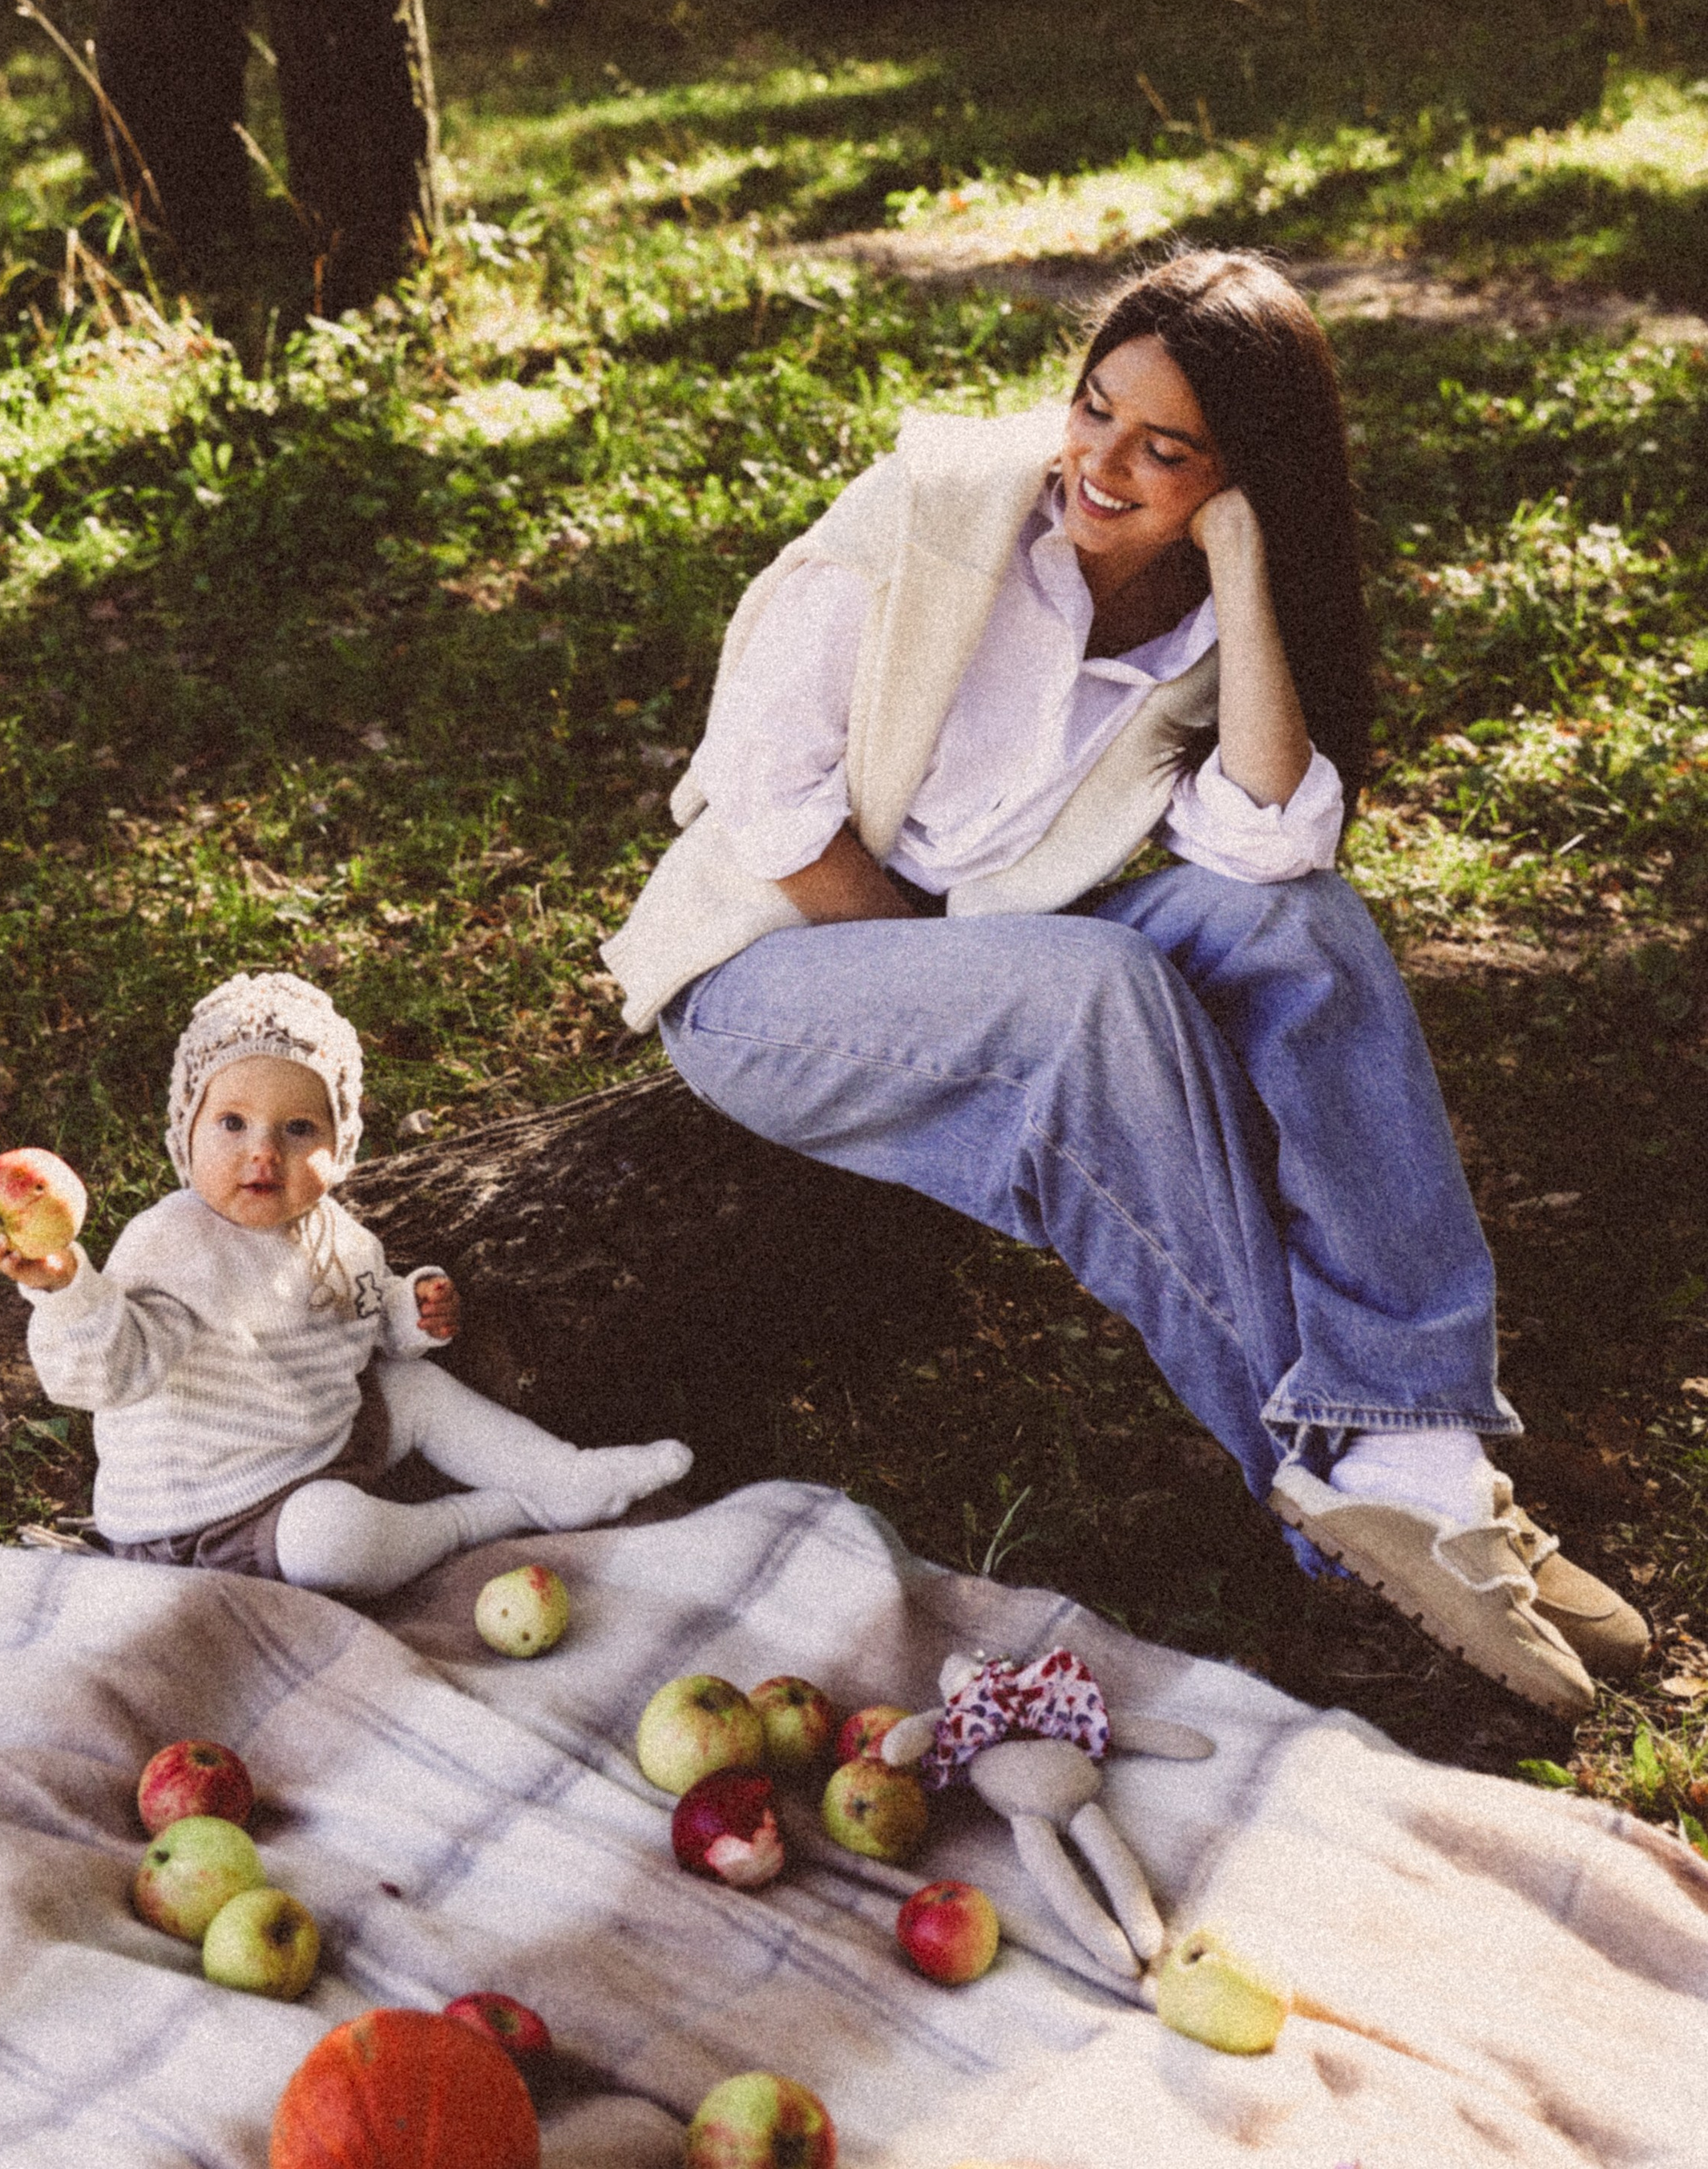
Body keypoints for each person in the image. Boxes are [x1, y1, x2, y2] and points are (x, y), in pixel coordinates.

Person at [602, 248, 1644, 1717]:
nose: (1103, 463)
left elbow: (1269, 841)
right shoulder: (929, 510)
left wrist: (1238, 565)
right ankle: (1355, 1504)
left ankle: (1422, 1447)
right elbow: (770, 808)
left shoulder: (1210, 597)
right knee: (1094, 992)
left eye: (1167, 452)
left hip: (990, 956)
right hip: (770, 976)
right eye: (1095, 411)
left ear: (1240, 475)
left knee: (1307, 934)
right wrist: (967, 966)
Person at [0, 968, 691, 1593]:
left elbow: (365, 1313)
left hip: (323, 1445)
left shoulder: (336, 1235)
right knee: (336, 1543)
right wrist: (67, 1289)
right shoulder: (173, 1241)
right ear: (185, 1134)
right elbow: (111, 1373)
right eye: (232, 1122)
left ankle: (562, 1475)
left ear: (340, 1145)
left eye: (298, 1129)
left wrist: (415, 1310)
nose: (263, 1153)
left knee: (416, 1392)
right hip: (214, 1513)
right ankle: (486, 1516)